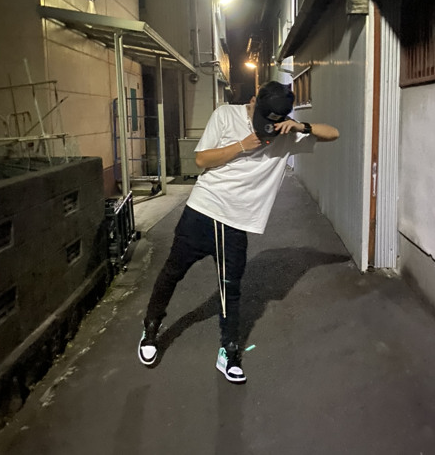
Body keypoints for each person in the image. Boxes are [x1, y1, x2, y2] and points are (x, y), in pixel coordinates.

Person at [138, 81, 339, 383]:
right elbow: (201, 159)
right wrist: (241, 145)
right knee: (172, 272)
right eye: (262, 117)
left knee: (230, 289)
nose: (266, 126)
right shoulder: (225, 115)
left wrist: (302, 126)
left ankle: (229, 351)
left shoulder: (286, 132)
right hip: (202, 212)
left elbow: (333, 133)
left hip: (237, 223)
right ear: (254, 100)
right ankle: (151, 328)